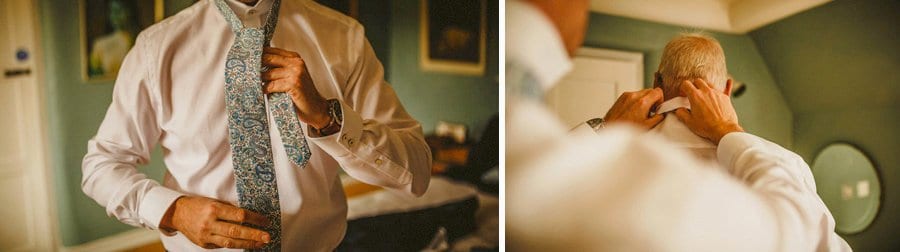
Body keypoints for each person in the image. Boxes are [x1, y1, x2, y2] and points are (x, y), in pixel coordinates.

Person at [82, 0, 431, 251]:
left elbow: (416, 172)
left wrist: (327, 117)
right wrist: (174, 211)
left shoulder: (344, 38)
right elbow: (102, 166)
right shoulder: (156, 49)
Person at [505, 0, 851, 251]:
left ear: (657, 80)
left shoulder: (579, 162)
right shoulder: (784, 166)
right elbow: (813, 238)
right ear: (727, 89)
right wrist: (731, 133)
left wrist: (603, 129)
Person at [573, 33, 730, 163]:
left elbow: (559, 172)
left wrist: (606, 128)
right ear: (727, 90)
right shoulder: (739, 159)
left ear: (657, 81)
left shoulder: (605, 149)